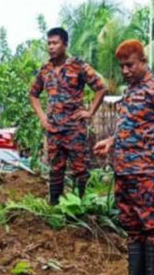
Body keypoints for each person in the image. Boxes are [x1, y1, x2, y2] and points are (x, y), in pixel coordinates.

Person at [94, 40, 154, 275]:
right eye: (122, 66)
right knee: (132, 225)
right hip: (124, 170)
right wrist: (111, 141)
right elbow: (127, 128)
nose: (126, 70)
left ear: (143, 61)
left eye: (130, 65)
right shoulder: (129, 92)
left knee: (151, 225)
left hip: (147, 171)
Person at [29, 27, 107, 204]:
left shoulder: (78, 66)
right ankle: (54, 205)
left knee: (80, 169)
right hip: (54, 130)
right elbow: (33, 94)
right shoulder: (45, 70)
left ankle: (82, 205)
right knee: (55, 169)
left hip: (74, 129)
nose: (51, 47)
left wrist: (90, 112)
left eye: (55, 43)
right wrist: (43, 119)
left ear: (65, 44)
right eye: (49, 43)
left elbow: (101, 88)